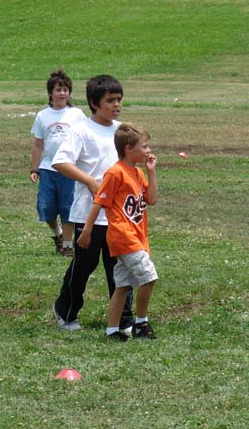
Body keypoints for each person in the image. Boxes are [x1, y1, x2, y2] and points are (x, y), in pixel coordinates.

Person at [51, 75, 134, 331]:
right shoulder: (81, 131)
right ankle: (65, 310)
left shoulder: (122, 131)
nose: (116, 105)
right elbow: (60, 161)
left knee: (119, 267)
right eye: (110, 100)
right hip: (89, 214)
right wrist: (89, 181)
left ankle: (123, 319)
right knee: (84, 266)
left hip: (118, 215)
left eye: (119, 100)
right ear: (94, 103)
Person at [76, 122, 158, 341]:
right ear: (128, 149)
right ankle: (141, 323)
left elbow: (151, 200)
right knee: (149, 278)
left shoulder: (138, 173)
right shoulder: (115, 173)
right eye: (144, 146)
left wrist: (151, 173)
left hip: (137, 237)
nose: (148, 150)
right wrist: (87, 231)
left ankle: (112, 331)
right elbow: (98, 202)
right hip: (123, 237)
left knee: (122, 286)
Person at [29, 69, 87, 257]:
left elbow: (85, 138)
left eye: (65, 90)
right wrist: (34, 169)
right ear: (50, 93)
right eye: (58, 90)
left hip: (70, 168)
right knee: (45, 207)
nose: (62, 93)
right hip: (48, 168)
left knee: (67, 208)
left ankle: (68, 246)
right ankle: (58, 234)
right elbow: (38, 144)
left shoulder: (76, 114)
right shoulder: (42, 116)